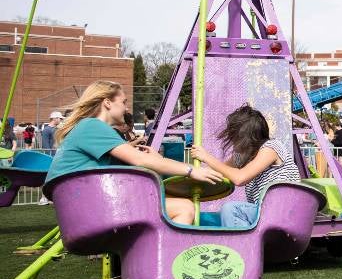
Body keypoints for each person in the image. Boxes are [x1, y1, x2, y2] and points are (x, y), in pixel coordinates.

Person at [44, 80, 222, 225]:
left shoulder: (90, 128)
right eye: (123, 102)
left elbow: (139, 167)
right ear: (107, 103)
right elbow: (139, 160)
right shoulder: (92, 126)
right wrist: (192, 170)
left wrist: (156, 160)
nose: (127, 109)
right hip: (90, 210)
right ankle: (165, 266)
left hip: (84, 206)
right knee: (184, 208)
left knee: (169, 200)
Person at [190, 104, 302, 228]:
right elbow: (221, 171)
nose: (232, 142)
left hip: (284, 212)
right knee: (216, 217)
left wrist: (206, 157)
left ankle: (240, 245)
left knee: (231, 210)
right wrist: (192, 173)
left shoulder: (270, 148)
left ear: (245, 137)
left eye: (235, 138)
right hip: (265, 213)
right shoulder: (244, 156)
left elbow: (240, 178)